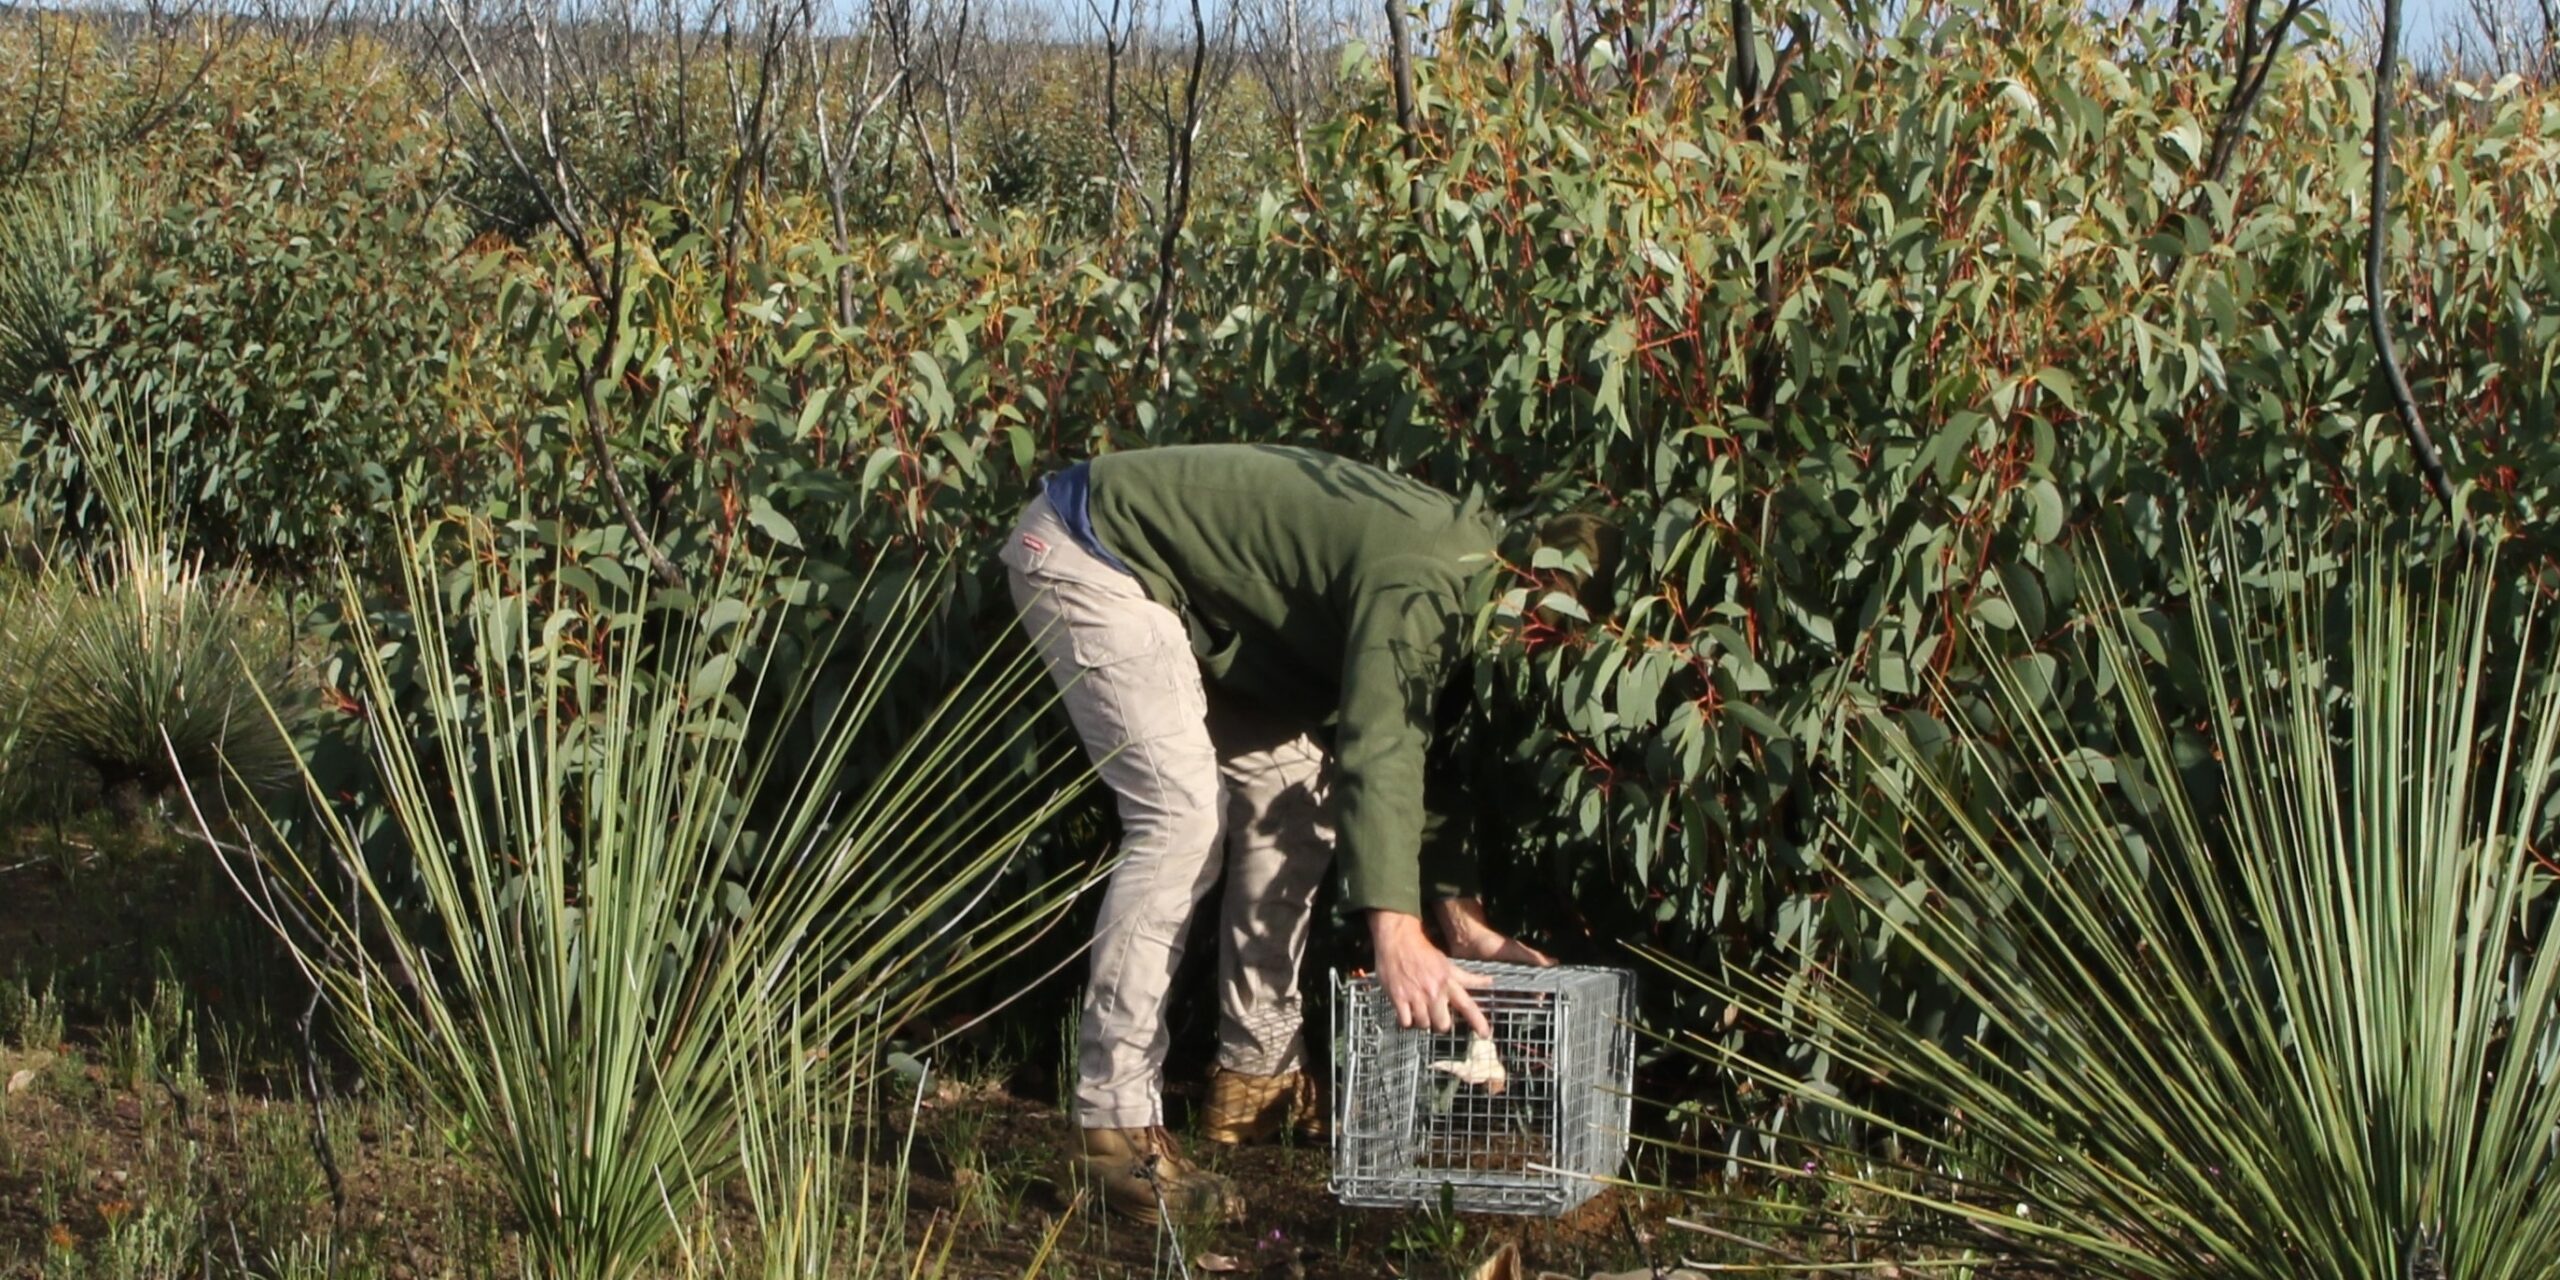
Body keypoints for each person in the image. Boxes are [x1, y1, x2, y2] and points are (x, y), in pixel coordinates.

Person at [998, 443, 1619, 1224]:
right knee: (1179, 817)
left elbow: (1423, 756)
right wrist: (1395, 930)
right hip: (1094, 545)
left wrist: (1462, 926)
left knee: (1293, 796)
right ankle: (1111, 1129)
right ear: (1538, 590)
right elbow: (1380, 741)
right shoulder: (1428, 577)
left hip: (1180, 593)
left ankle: (1255, 1074)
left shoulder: (1471, 590)